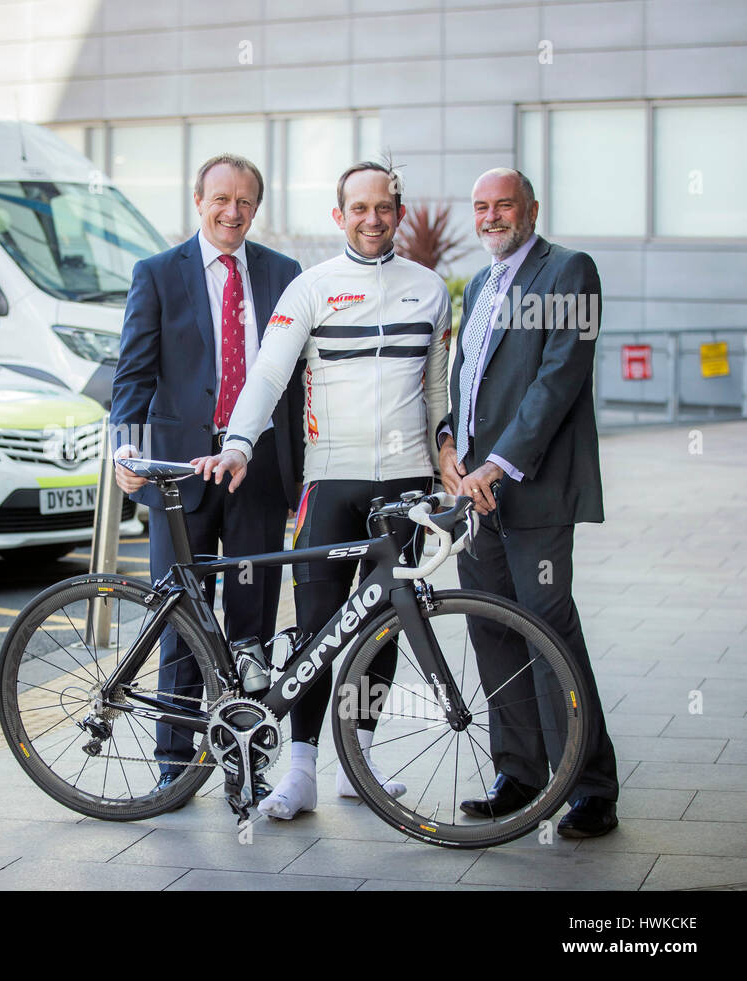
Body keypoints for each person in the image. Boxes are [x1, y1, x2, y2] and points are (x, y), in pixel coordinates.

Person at [195, 162, 451, 820]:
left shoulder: (430, 290)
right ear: (339, 217)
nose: (372, 219)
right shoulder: (310, 289)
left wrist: (447, 453)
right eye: (357, 208)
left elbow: (438, 390)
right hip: (330, 481)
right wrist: (240, 443)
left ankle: (357, 763)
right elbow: (268, 374)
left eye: (383, 207)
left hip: (407, 481)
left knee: (386, 623)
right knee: (317, 630)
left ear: (398, 210)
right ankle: (302, 770)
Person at [109, 154, 304, 800]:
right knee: (181, 618)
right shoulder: (158, 274)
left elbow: (297, 381)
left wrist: (302, 477)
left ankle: (242, 760)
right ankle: (174, 760)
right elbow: (133, 374)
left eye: (245, 202)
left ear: (257, 208)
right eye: (221, 198)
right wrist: (125, 450)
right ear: (198, 200)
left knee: (251, 625)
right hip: (177, 478)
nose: (232, 212)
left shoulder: (283, 274)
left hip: (258, 472)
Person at [437, 167, 619, 838]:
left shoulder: (569, 271)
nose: (491, 216)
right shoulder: (481, 284)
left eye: (503, 204)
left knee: (550, 630)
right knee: (492, 628)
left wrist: (498, 463)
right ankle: (519, 773)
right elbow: (469, 377)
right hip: (474, 494)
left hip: (532, 486)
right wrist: (452, 442)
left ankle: (593, 785)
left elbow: (556, 380)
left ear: (531, 208)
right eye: (480, 205)